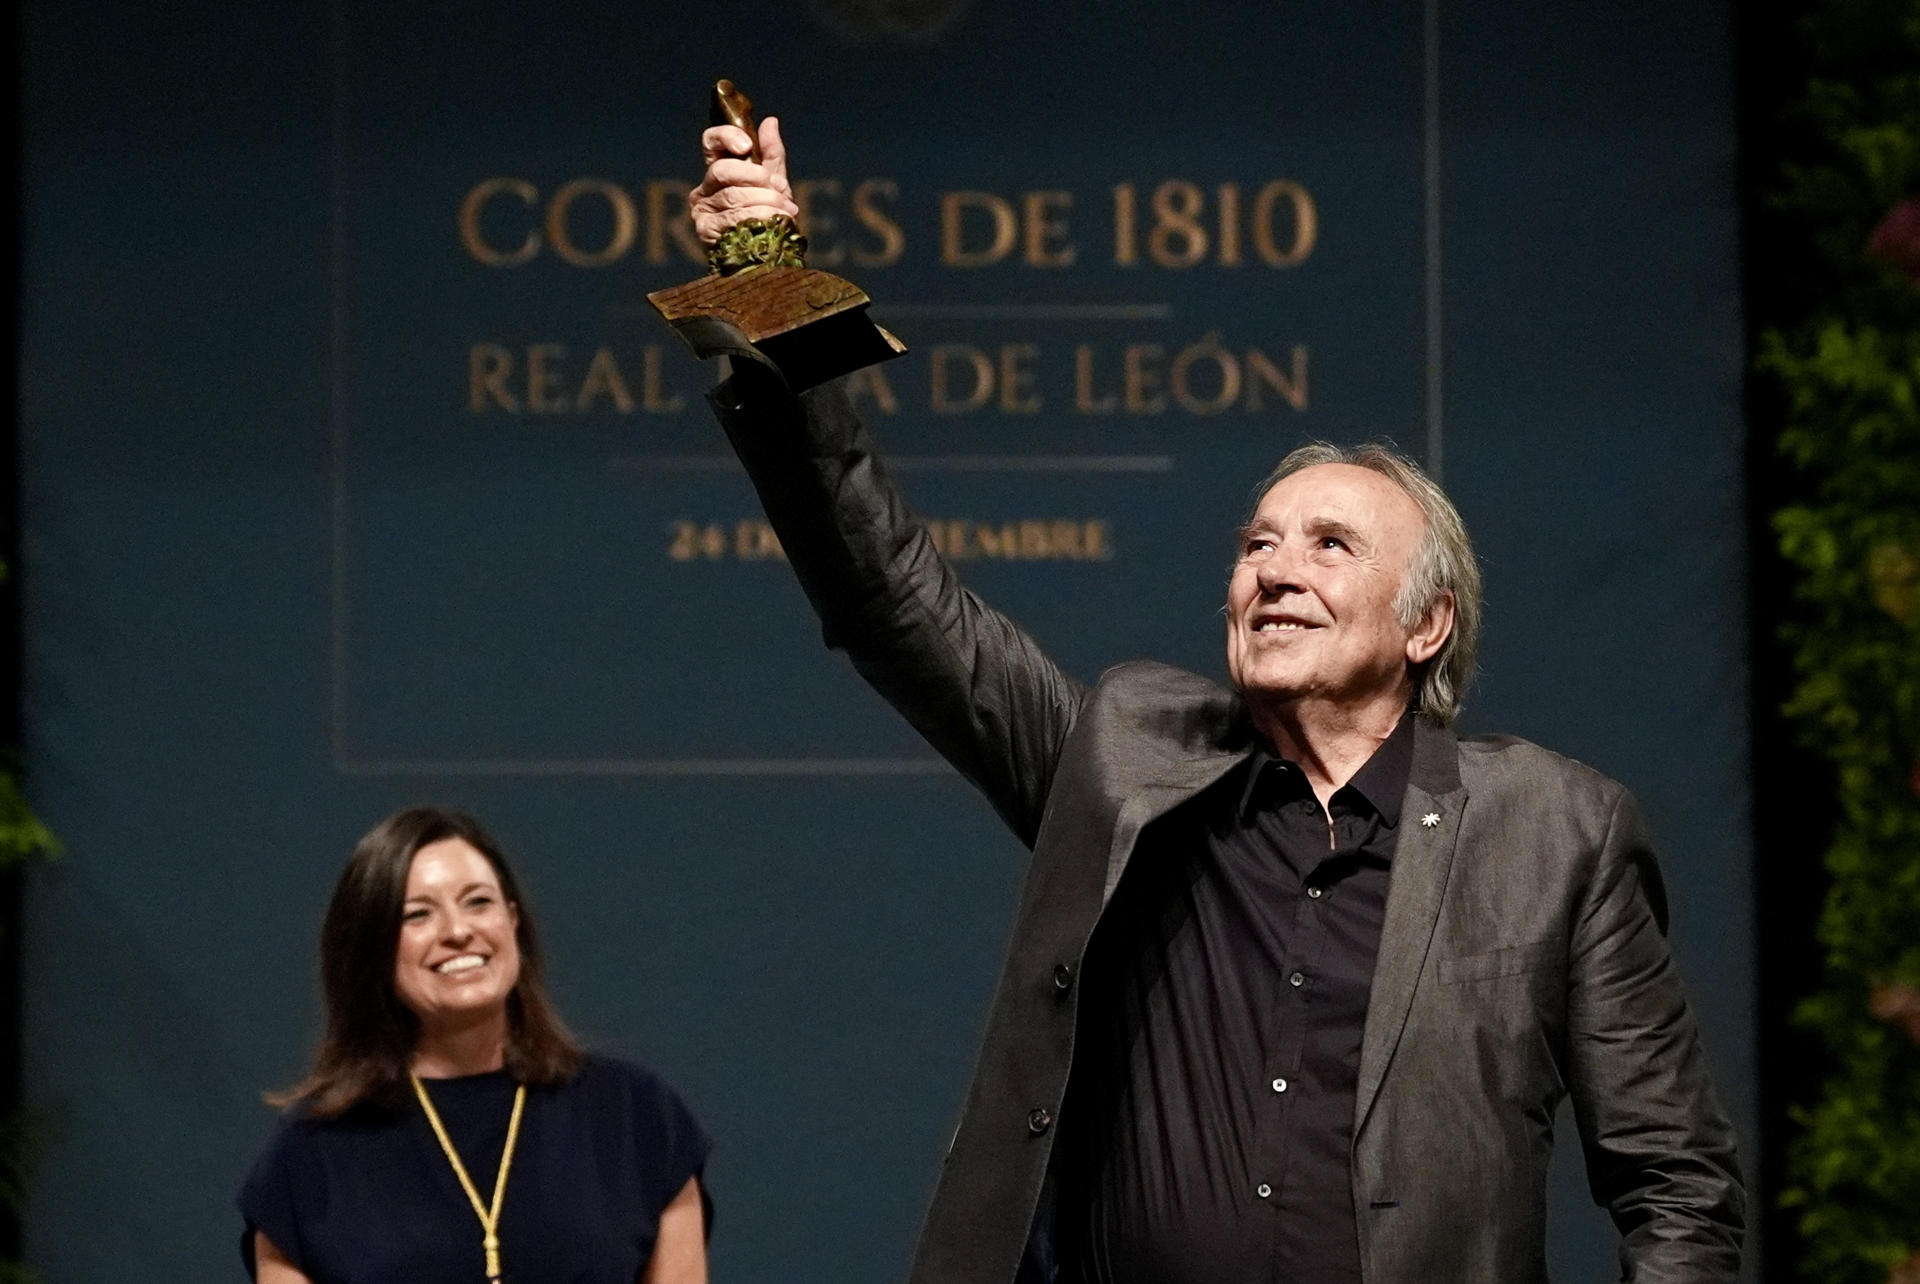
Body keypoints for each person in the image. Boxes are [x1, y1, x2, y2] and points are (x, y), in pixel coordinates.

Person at [688, 118, 1745, 1283]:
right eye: (1258, 542)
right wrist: (771, 283)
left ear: (1426, 623)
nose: (1275, 569)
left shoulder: (1557, 832)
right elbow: (892, 594)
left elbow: (1677, 1186)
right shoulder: (1126, 761)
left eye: (1331, 545)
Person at [238, 807, 710, 1284]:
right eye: (418, 914)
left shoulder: (635, 1117)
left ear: (512, 921)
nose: (458, 931)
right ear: (373, 948)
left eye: (478, 902)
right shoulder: (310, 1154)